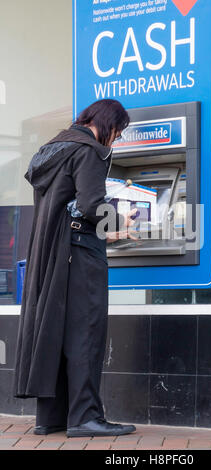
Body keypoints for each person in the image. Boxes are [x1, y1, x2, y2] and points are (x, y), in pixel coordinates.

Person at [13, 99, 138, 438]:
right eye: (119, 132)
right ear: (109, 124)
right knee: (86, 333)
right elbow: (90, 205)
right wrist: (120, 219)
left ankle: (51, 418)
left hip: (49, 251)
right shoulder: (91, 151)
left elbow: (69, 206)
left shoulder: (52, 150)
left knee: (55, 330)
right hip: (80, 253)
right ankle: (84, 417)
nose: (116, 139)